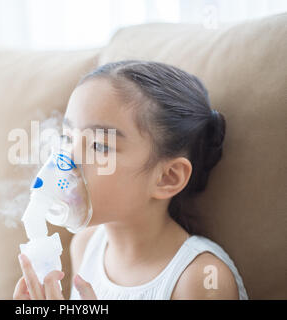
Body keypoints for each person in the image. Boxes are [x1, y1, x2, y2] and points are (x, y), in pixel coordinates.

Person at [13, 60, 248, 300]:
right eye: (67, 137)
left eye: (99, 146)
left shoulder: (201, 280)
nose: (67, 161)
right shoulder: (85, 246)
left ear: (167, 177)